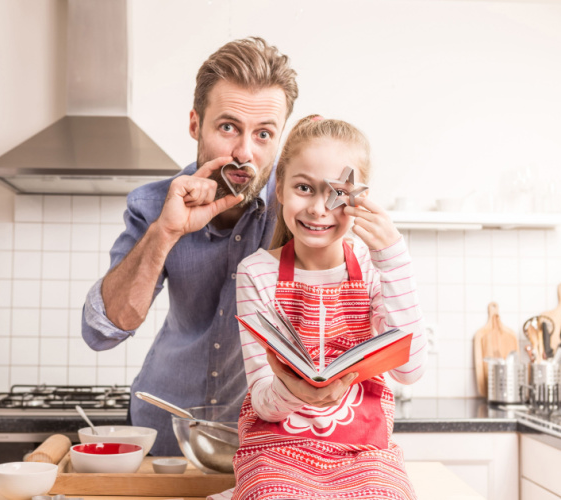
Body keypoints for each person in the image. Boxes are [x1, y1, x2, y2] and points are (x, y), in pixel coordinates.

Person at [81, 37, 298, 456]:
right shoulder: (152, 206)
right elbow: (101, 332)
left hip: (260, 442)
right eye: (228, 127)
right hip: (166, 429)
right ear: (196, 124)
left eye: (264, 134)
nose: (243, 153)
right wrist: (165, 233)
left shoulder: (295, 210)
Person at [231, 115, 428, 499]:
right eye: (304, 187)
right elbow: (264, 403)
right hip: (275, 452)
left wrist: (394, 259)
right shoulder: (256, 272)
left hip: (365, 453)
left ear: (360, 199)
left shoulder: (376, 268)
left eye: (338, 193)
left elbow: (410, 370)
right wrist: (294, 392)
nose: (320, 208)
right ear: (281, 190)